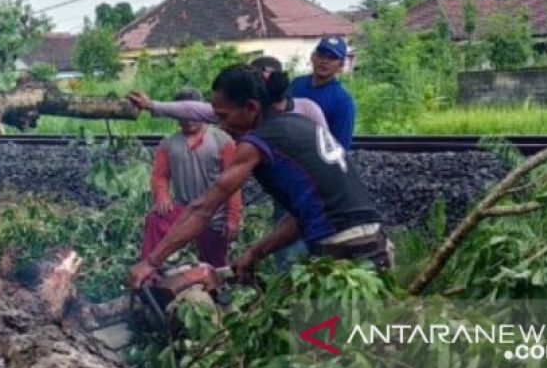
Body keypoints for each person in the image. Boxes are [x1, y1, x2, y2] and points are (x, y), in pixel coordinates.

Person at [129, 66, 390, 291]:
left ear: (252, 108)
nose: (221, 125)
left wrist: (152, 262)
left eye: (223, 116)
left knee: (324, 338)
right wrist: (255, 253)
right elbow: (301, 217)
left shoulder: (259, 140)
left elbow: (204, 208)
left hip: (343, 250)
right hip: (375, 244)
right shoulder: (297, 124)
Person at [140, 88, 241, 268]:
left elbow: (234, 182)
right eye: (182, 115)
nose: (188, 119)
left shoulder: (222, 140)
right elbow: (159, 176)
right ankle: (150, 274)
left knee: (214, 265)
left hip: (214, 213)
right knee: (156, 218)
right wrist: (162, 194)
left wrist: (232, 218)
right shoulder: (168, 144)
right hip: (184, 210)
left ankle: (214, 291)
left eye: (192, 114)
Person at [126, 56, 327, 129]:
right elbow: (194, 109)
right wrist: (152, 105)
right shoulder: (240, 114)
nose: (222, 124)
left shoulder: (306, 110)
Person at [289, 36, 356, 150]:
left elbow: (340, 147)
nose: (324, 61)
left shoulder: (343, 102)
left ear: (341, 65)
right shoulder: (296, 84)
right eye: (321, 55)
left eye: (332, 58)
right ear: (312, 57)